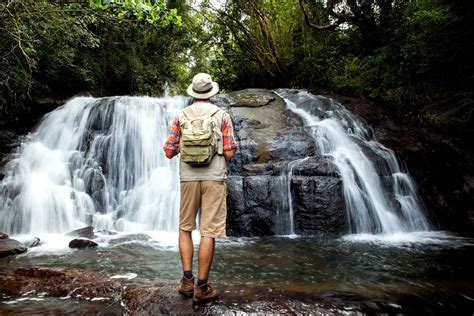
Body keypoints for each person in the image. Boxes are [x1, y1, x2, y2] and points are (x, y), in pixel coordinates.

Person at [163, 73, 238, 304]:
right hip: (214, 178)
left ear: (193, 93)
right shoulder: (222, 115)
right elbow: (229, 152)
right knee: (208, 232)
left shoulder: (181, 116)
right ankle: (202, 287)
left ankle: (186, 282)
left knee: (185, 228)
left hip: (188, 178)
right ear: (211, 93)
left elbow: (168, 151)